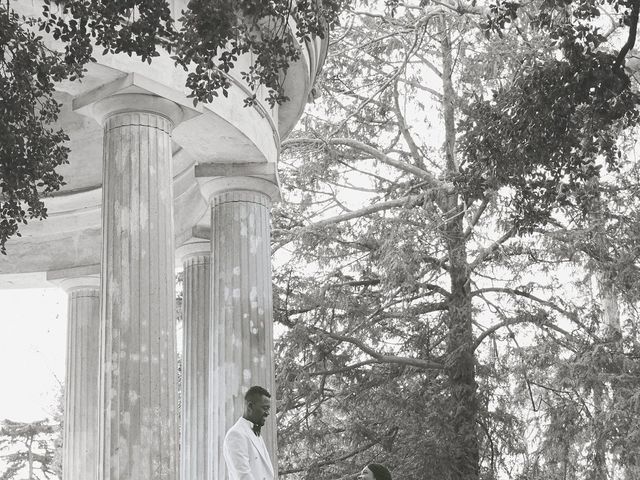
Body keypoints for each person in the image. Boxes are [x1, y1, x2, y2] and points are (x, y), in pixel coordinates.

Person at [223, 385, 275, 480]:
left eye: (268, 409)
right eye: (265, 408)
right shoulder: (236, 435)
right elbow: (243, 476)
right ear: (250, 406)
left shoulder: (256, 433)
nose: (267, 413)